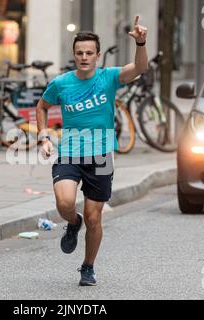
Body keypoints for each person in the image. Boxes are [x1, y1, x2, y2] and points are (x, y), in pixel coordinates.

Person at [36, 16, 148, 286]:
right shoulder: (61, 83)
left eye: (89, 53)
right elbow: (42, 107)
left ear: (98, 55)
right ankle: (72, 223)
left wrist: (141, 42)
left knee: (94, 217)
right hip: (71, 152)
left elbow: (140, 68)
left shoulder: (109, 77)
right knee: (64, 204)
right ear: (73, 55)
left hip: (100, 155)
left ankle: (87, 267)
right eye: (79, 53)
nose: (84, 57)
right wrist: (43, 136)